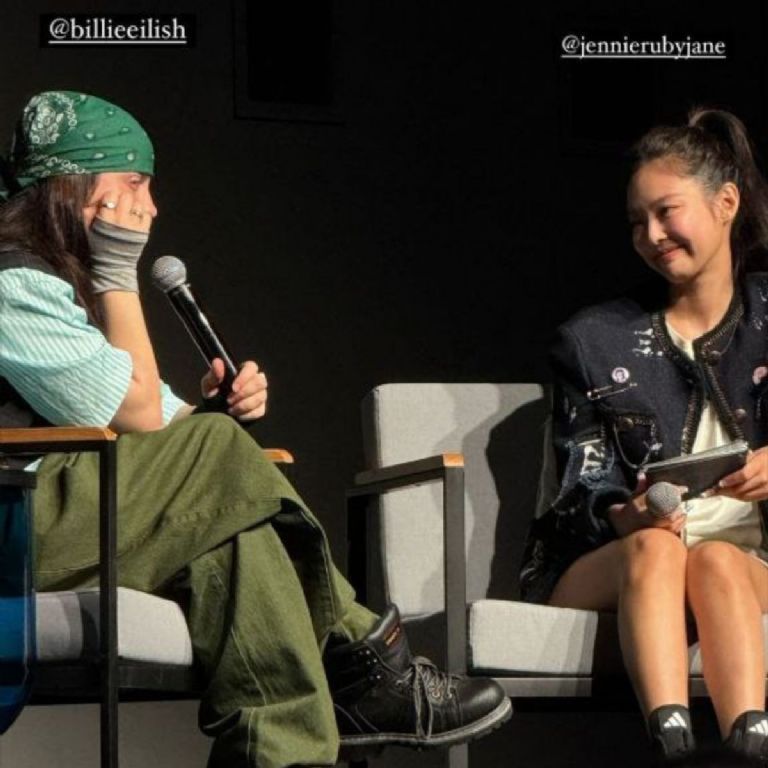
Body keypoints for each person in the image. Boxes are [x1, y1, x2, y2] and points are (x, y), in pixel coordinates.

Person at [0, 90, 511, 768]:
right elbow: (138, 412)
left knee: (235, 538)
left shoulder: (54, 285)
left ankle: (284, 753)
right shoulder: (12, 282)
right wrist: (120, 274)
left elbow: (166, 415)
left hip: (64, 502)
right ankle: (365, 662)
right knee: (219, 463)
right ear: (75, 187)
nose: (150, 209)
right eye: (134, 185)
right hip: (17, 520)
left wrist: (214, 411)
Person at [519, 107, 768, 765]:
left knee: (715, 558)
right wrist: (621, 513)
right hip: (620, 558)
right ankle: (673, 744)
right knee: (662, 552)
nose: (652, 235)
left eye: (666, 212)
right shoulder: (593, 340)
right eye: (637, 223)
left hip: (752, 561)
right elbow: (581, 482)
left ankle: (748, 742)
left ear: (726, 203)